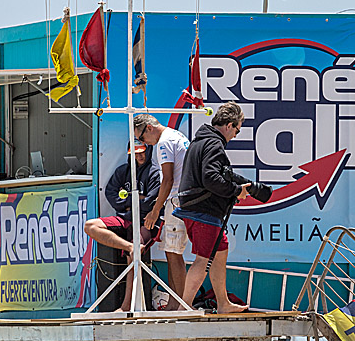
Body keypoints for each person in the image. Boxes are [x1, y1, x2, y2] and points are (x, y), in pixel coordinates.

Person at [172, 102, 251, 314]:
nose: (236, 135)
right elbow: (211, 178)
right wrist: (236, 191)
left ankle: (223, 303)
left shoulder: (200, 142)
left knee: (220, 250)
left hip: (192, 207)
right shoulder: (214, 145)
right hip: (203, 211)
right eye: (237, 129)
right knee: (203, 259)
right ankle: (184, 307)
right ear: (229, 125)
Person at [83, 142, 161, 312]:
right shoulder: (122, 171)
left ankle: (126, 306)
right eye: (135, 153)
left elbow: (151, 202)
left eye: (142, 153)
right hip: (125, 218)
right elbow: (110, 193)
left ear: (149, 151)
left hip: (145, 221)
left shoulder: (155, 172)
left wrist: (133, 203)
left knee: (134, 255)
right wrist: (134, 200)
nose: (139, 156)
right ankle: (128, 246)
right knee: (90, 226)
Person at [134, 113, 189, 308]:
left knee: (174, 254)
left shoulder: (164, 142)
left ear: (148, 128)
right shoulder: (176, 135)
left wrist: (155, 210)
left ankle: (179, 305)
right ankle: (177, 303)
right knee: (172, 253)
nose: (144, 144)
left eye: (141, 138)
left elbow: (168, 179)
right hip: (182, 199)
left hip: (177, 201)